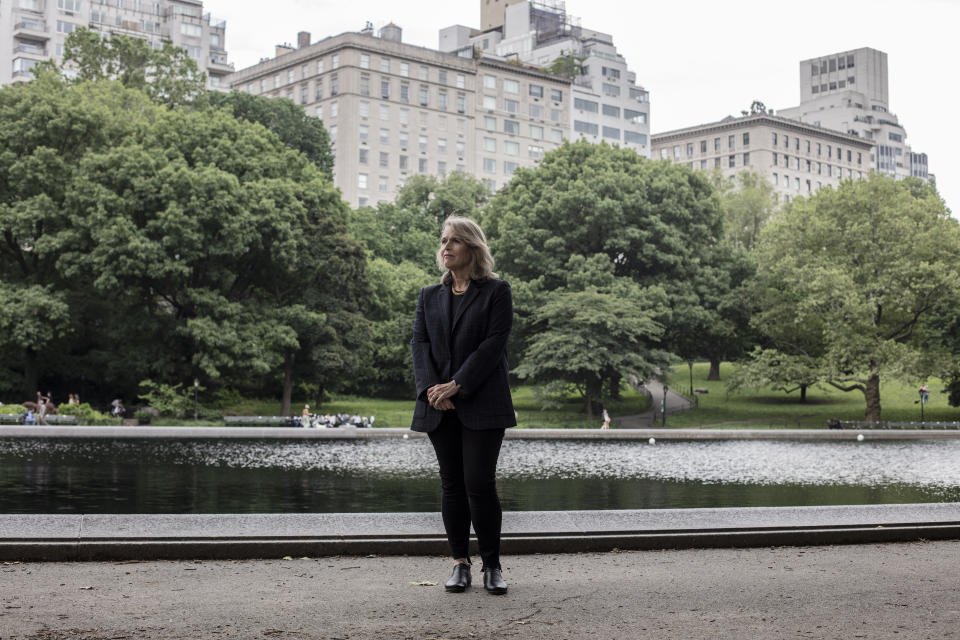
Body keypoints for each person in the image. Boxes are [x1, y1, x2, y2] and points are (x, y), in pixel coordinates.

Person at [411, 215, 515, 596]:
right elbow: (419, 346)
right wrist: (431, 391)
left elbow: (492, 346)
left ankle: (491, 565)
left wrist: (457, 385)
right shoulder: (428, 296)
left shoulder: (497, 292)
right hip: (440, 405)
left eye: (455, 240)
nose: (446, 246)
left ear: (472, 247)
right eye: (443, 239)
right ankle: (459, 562)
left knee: (479, 484)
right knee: (452, 484)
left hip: (482, 403)